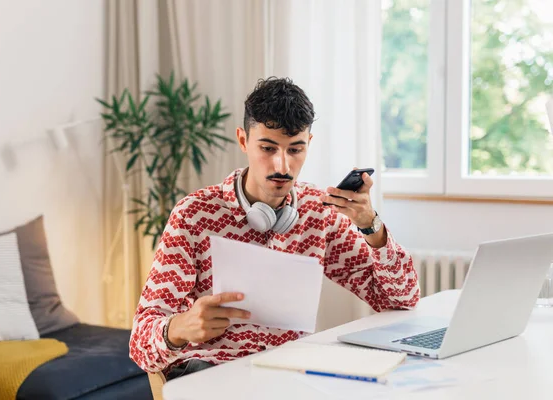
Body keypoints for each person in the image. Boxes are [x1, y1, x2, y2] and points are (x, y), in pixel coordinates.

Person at [129, 77, 420, 380]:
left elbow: (400, 300)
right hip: (213, 373)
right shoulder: (194, 215)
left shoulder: (317, 212)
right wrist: (177, 328)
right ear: (243, 140)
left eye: (295, 150)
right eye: (268, 148)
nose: (282, 165)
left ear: (309, 144)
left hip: (288, 373)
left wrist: (370, 226)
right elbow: (140, 345)